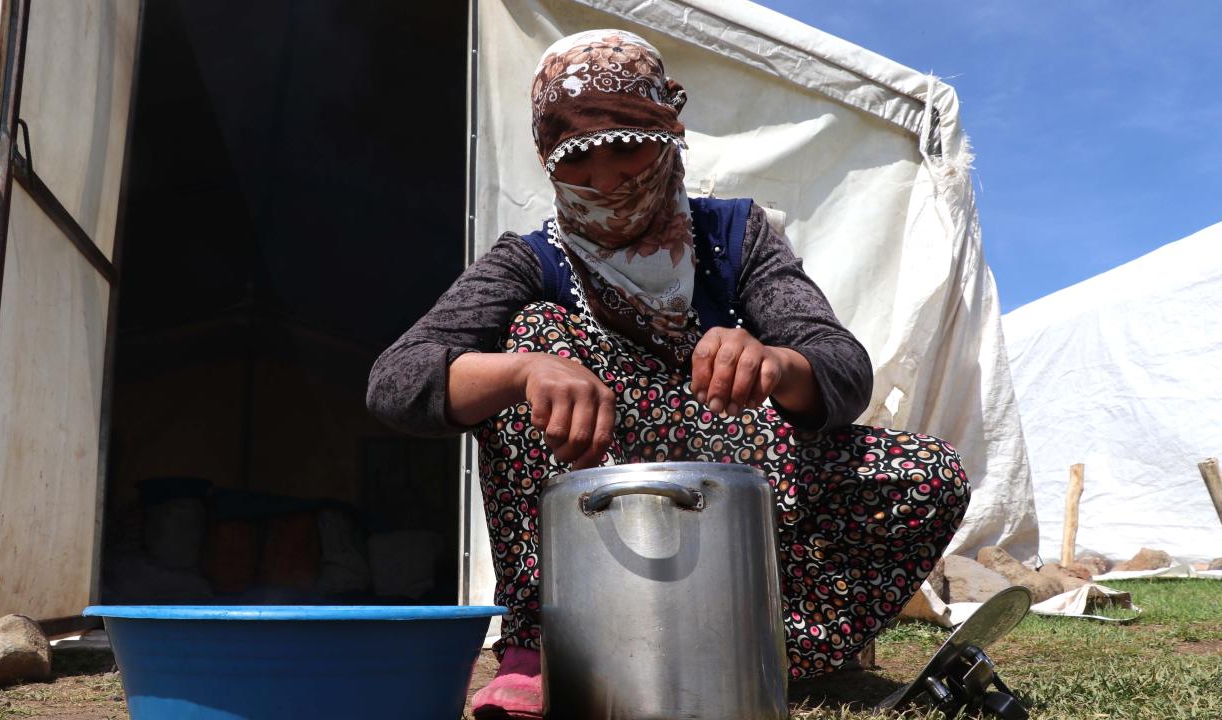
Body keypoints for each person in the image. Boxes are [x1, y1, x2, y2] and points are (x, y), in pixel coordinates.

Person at [366, 29, 970, 720]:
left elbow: (841, 369)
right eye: (577, 163)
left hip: (738, 476)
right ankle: (542, 646)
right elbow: (397, 380)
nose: (605, 183)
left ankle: (759, 643)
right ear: (549, 162)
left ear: (666, 134)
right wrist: (523, 371)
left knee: (926, 474)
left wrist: (774, 364)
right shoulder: (529, 261)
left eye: (626, 149)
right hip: (601, 481)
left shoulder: (735, 237)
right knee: (530, 339)